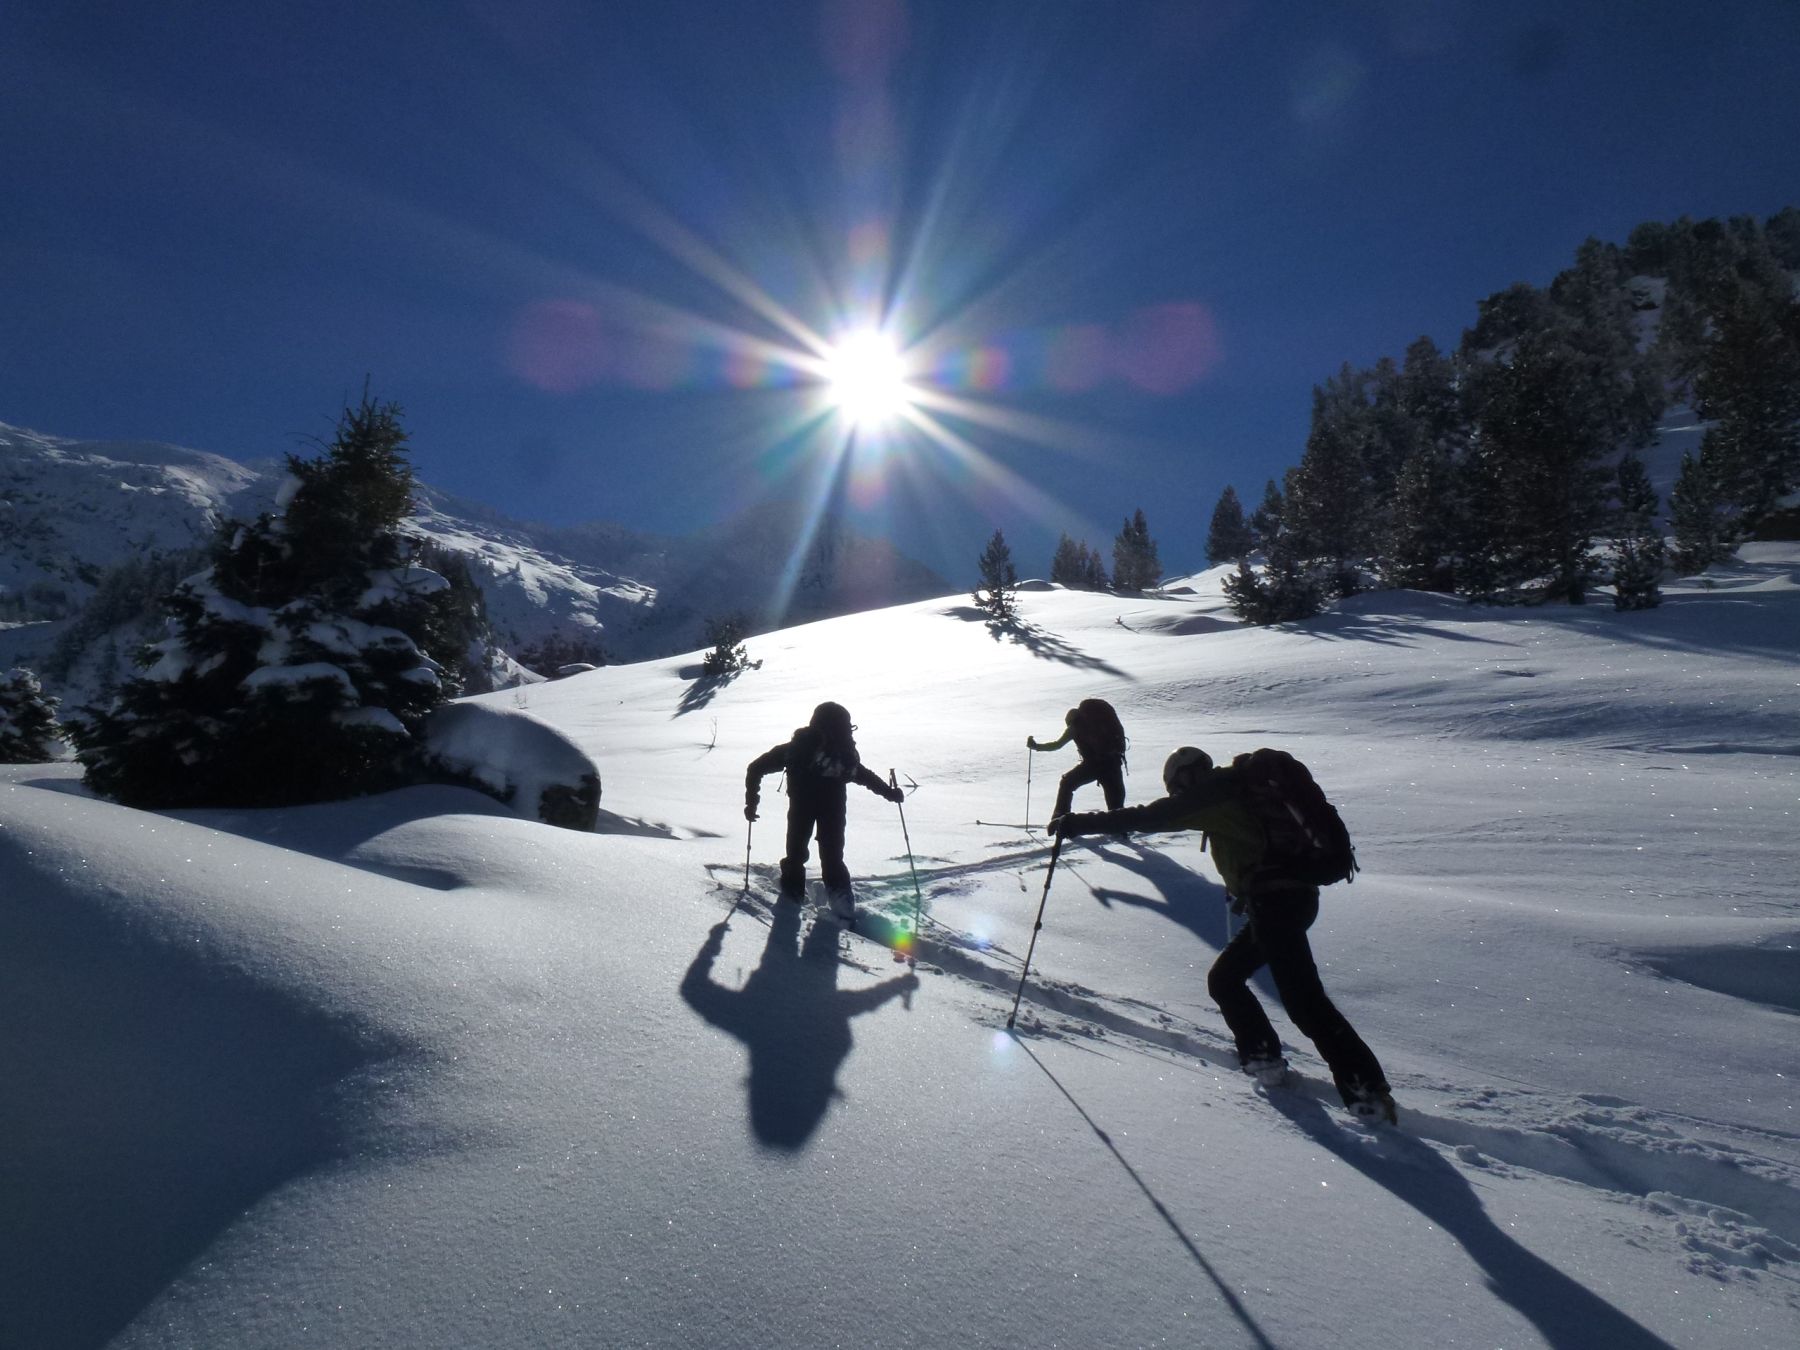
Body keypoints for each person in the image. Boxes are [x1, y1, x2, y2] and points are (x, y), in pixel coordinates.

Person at [1053, 746, 1397, 1124]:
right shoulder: (1235, 789)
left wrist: (1078, 823)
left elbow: (1150, 817)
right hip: (1288, 899)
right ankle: (1265, 1060)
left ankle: (1366, 1091)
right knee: (1226, 979)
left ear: (1186, 776)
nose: (1177, 797)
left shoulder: (1213, 793)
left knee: (1303, 1001)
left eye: (1176, 788)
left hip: (1277, 904)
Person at [745, 701, 904, 918]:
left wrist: (752, 801)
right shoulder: (842, 754)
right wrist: (890, 793)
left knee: (795, 854)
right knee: (832, 857)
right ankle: (842, 906)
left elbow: (755, 768)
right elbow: (864, 775)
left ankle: (791, 903)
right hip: (834, 809)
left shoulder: (795, 749)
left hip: (801, 807)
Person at [1027, 698, 1127, 829]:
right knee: (1115, 802)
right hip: (1113, 763)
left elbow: (1057, 745)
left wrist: (1036, 746)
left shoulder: (1074, 727)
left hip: (1092, 766)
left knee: (1067, 783)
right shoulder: (1099, 722)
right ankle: (1120, 829)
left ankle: (1059, 819)